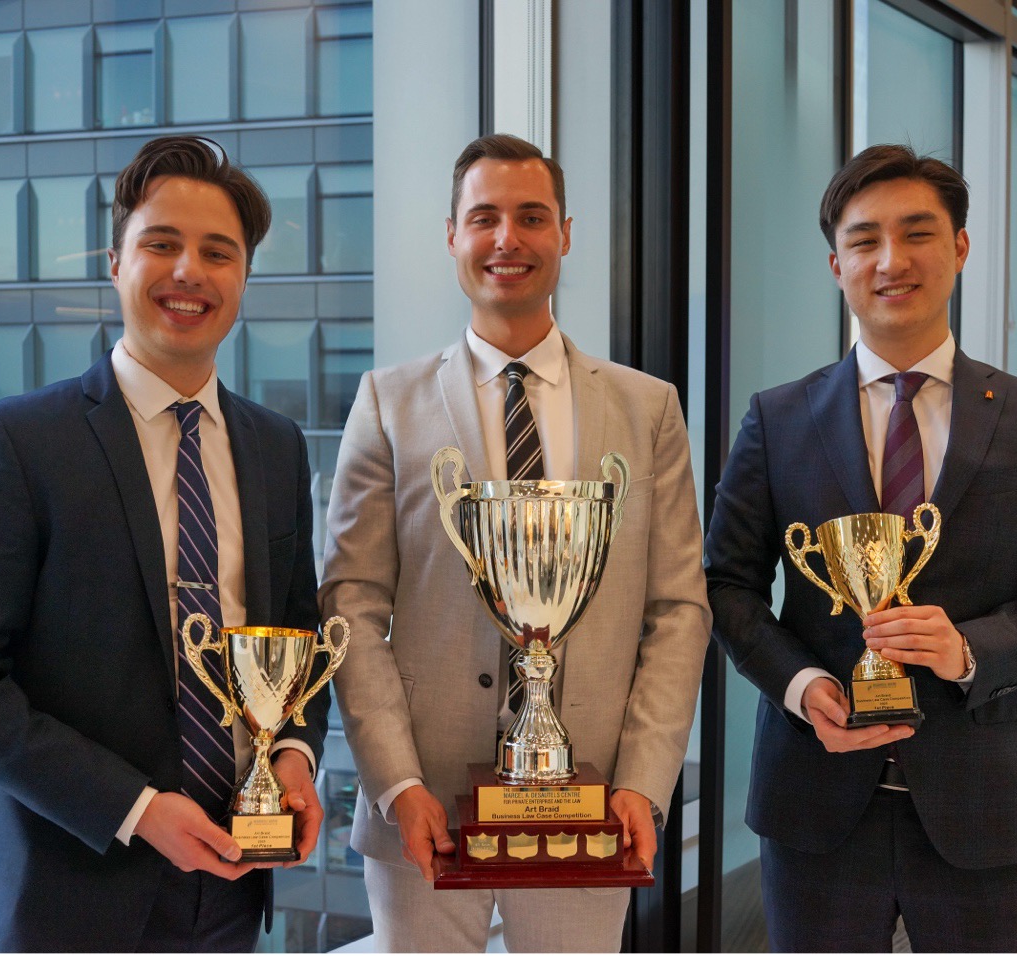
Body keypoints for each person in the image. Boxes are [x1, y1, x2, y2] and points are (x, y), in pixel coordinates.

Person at [0, 135, 328, 952]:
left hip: (233, 894)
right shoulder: (18, 442)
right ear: (115, 261)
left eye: (218, 252)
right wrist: (135, 809)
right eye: (161, 244)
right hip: (67, 902)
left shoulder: (277, 446)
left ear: (243, 277)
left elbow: (297, 637)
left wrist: (297, 759)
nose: (187, 273)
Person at [704, 143, 1017, 952]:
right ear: (837, 265)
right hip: (816, 802)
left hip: (985, 809)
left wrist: (970, 648)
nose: (891, 260)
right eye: (864, 241)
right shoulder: (777, 419)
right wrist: (799, 686)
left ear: (960, 248)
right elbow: (728, 587)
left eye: (917, 233)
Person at [319, 133, 710, 952]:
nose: (508, 239)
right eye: (485, 218)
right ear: (453, 236)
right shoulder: (387, 403)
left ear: (565, 232)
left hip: (593, 805)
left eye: (531, 217)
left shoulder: (648, 410)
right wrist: (396, 784)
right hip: (421, 813)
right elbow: (351, 606)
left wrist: (643, 783)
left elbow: (679, 610)